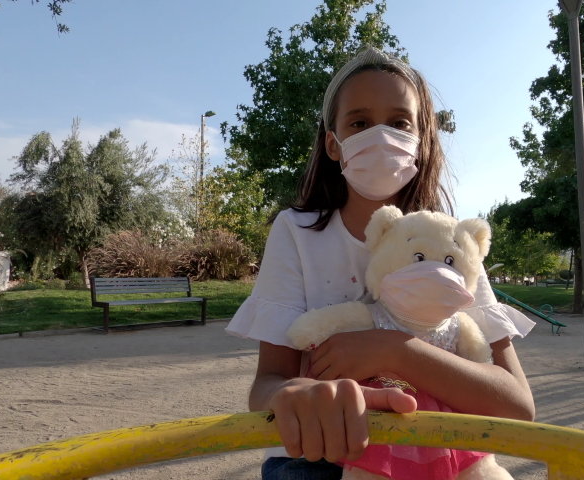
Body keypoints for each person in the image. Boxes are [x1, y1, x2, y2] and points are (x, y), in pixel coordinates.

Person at [226, 46, 536, 480]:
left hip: (439, 456)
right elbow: (268, 384)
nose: (380, 136)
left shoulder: (451, 243)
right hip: (321, 457)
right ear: (333, 144)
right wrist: (293, 394)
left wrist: (395, 350)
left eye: (398, 123)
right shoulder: (295, 232)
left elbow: (516, 405)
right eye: (359, 122)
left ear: (422, 143)